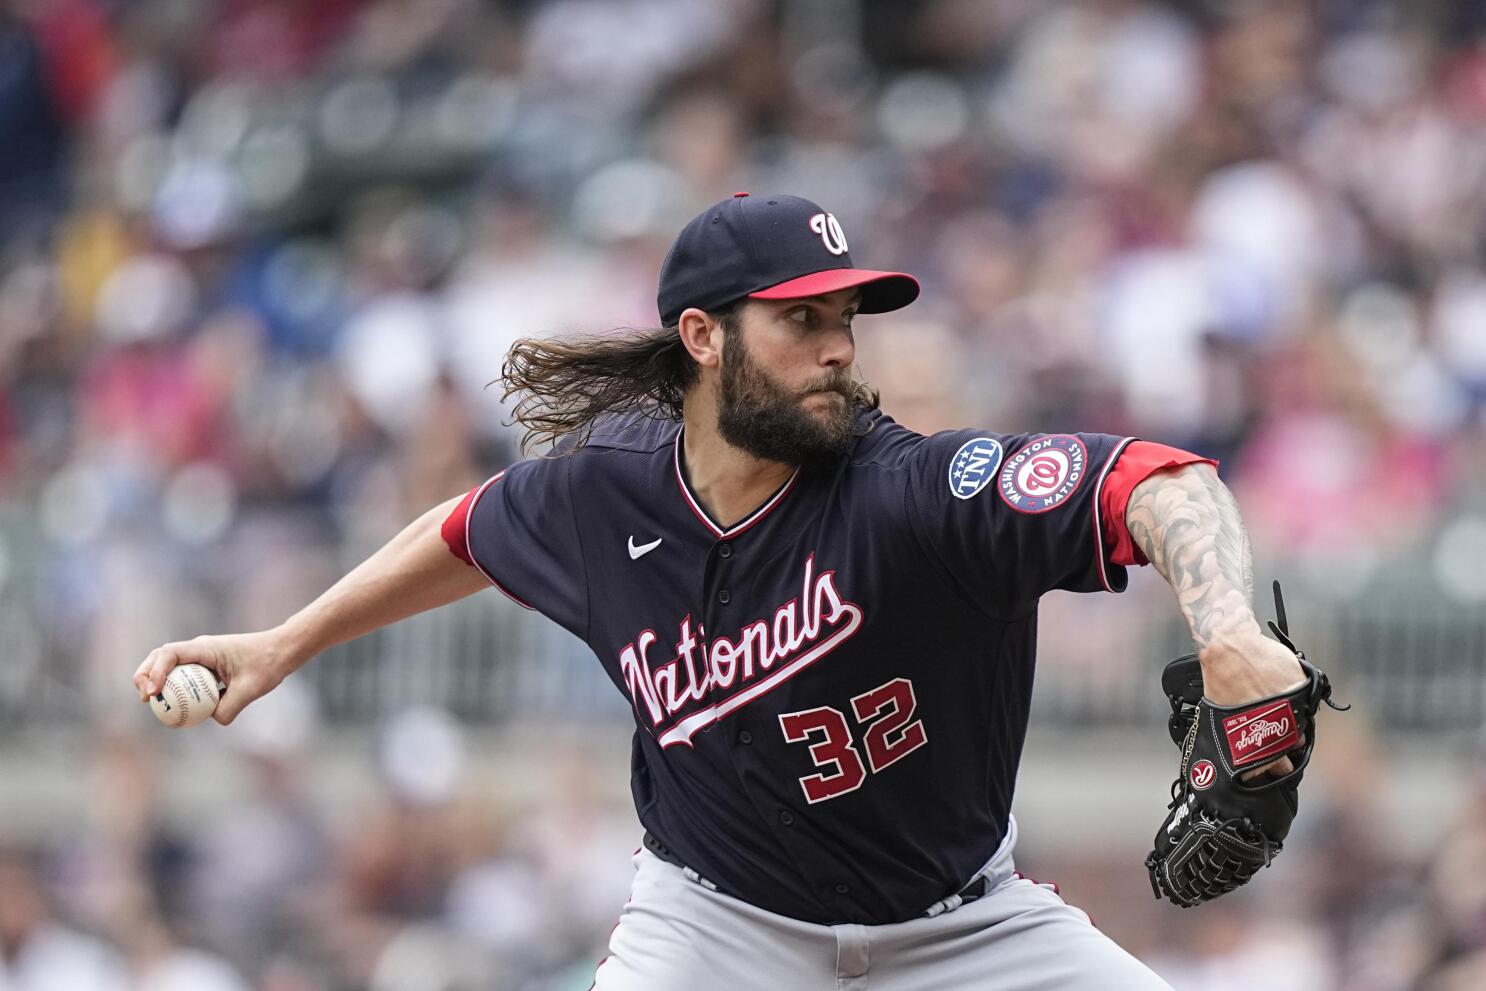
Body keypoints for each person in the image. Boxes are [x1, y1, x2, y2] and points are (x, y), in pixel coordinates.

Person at [134, 193, 1308, 989]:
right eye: (801, 320)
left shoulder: (916, 491)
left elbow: (1158, 482)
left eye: (844, 318)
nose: (839, 347)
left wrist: (1229, 627)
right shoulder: (600, 496)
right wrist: (284, 642)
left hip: (964, 929)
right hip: (718, 928)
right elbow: (462, 531)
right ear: (702, 335)